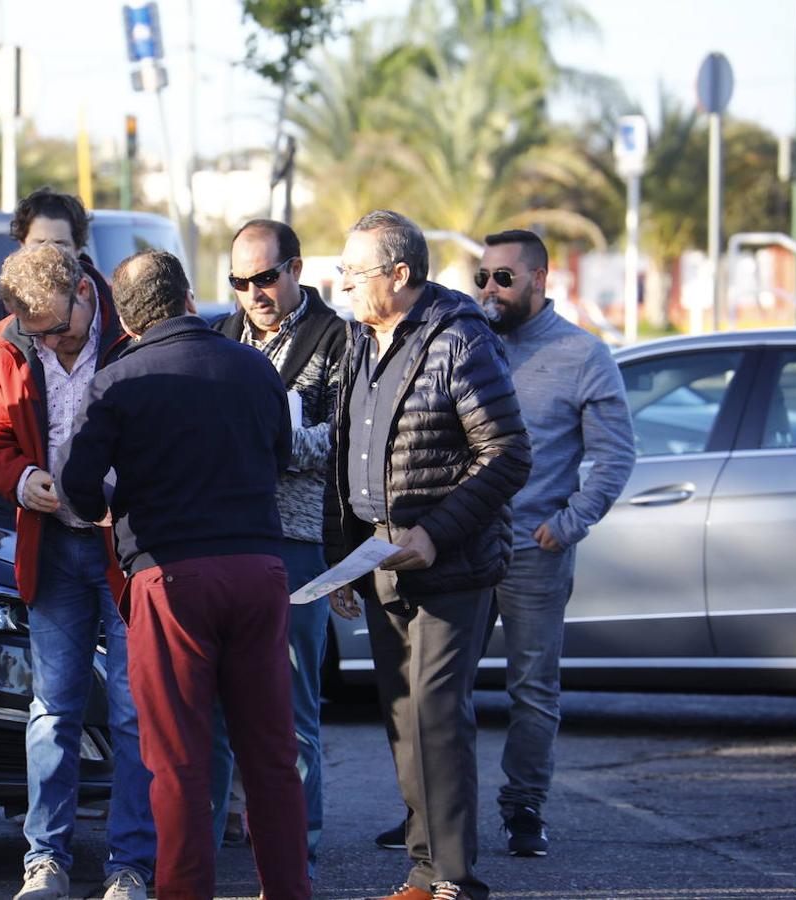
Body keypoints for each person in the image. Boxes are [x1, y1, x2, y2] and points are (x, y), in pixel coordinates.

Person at [57, 249, 309, 900]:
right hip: (259, 568)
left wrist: (109, 512)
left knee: (176, 762)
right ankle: (288, 889)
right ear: (189, 298)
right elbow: (280, 455)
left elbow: (78, 486)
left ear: (127, 319)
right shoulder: (254, 366)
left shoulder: (119, 379)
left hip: (170, 577)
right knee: (272, 754)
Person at [326, 211, 531, 900]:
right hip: (380, 560)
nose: (344, 283)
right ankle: (424, 868)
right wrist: (344, 557)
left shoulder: (460, 339)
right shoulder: (362, 337)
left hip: (452, 563)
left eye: (355, 272)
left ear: (400, 275)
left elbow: (507, 454)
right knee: (403, 718)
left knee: (438, 713)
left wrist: (435, 533)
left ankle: (456, 878)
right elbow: (348, 452)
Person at [0, 245, 154, 900]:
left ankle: (130, 865)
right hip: (53, 548)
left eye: (60, 328)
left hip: (128, 551)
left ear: (83, 290)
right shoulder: (6, 340)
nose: (52, 341)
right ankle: (44, 860)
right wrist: (21, 480)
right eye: (37, 332)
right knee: (51, 711)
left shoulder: (132, 327)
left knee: (135, 712)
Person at [477, 229, 635, 856]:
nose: (490, 288)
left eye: (504, 278)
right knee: (441, 688)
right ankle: (435, 818)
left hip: (533, 552)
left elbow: (615, 455)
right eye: (483, 276)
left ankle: (523, 810)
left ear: (540, 280)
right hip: (463, 547)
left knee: (532, 689)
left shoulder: (582, 355)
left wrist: (568, 523)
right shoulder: (471, 345)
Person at [208, 219, 347, 875]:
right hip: (225, 536)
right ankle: (209, 849)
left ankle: (301, 850)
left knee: (292, 710)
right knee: (214, 709)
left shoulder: (337, 338)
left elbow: (343, 439)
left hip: (296, 539)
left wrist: (273, 447)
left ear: (295, 269)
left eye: (265, 277)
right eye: (240, 281)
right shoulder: (220, 334)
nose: (254, 293)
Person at [0, 187, 101, 406]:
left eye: (61, 244)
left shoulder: (109, 308)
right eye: (39, 243)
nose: (50, 253)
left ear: (78, 249)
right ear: (21, 245)